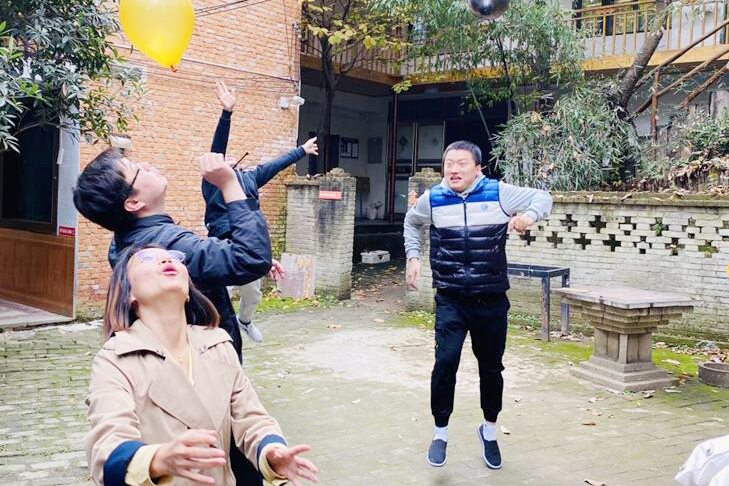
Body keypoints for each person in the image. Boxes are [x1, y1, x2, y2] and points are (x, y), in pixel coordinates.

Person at [73, 92, 270, 485]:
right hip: (201, 377)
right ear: (132, 203)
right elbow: (251, 259)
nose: (147, 164)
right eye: (136, 170)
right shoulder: (164, 244)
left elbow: (210, 260)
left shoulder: (127, 241)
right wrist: (230, 184)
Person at [85, 245, 319, 486]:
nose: (167, 259)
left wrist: (271, 450)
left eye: (175, 257)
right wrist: (157, 459)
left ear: (187, 292)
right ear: (128, 294)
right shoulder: (115, 358)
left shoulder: (218, 344)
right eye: (147, 258)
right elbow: (108, 445)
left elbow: (251, 418)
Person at [403, 140, 553, 470]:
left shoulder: (498, 193)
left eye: (461, 163)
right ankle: (440, 432)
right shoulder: (434, 199)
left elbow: (543, 197)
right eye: (449, 164)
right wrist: (413, 256)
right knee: (445, 363)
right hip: (451, 298)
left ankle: (489, 431)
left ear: (478, 168)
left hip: (491, 299)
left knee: (491, 368)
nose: (453, 170)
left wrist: (528, 216)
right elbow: (411, 222)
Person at [203, 81, 318, 343]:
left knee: (252, 294)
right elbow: (218, 147)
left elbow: (276, 165)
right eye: (223, 160)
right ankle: (215, 331)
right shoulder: (212, 183)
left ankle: (245, 321)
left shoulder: (250, 178)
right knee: (219, 293)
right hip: (221, 245)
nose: (228, 159)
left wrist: (302, 150)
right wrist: (226, 113)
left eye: (230, 160)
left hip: (246, 246)